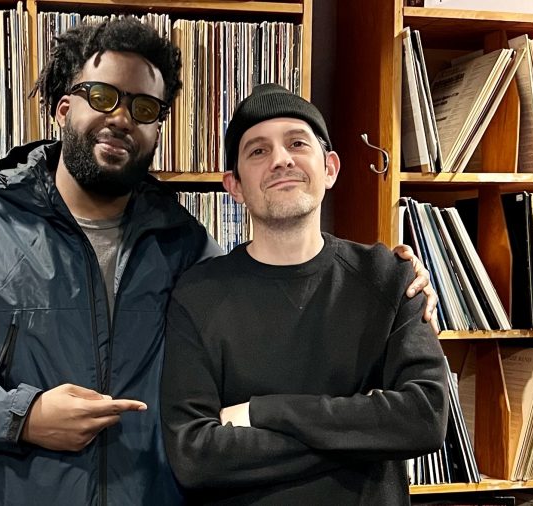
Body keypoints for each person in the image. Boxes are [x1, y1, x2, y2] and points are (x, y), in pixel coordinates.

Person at [0, 18, 437, 506]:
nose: (120, 118)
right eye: (102, 96)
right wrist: (21, 414)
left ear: (158, 127)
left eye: (143, 106)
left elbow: (273, 291)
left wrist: (397, 283)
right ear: (64, 107)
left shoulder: (182, 242)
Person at [160, 84, 449, 505]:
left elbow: (424, 417)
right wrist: (364, 434)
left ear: (330, 167)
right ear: (235, 185)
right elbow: (194, 457)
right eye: (257, 151)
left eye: (297, 143)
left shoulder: (391, 277)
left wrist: (262, 413)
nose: (280, 159)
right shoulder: (197, 295)